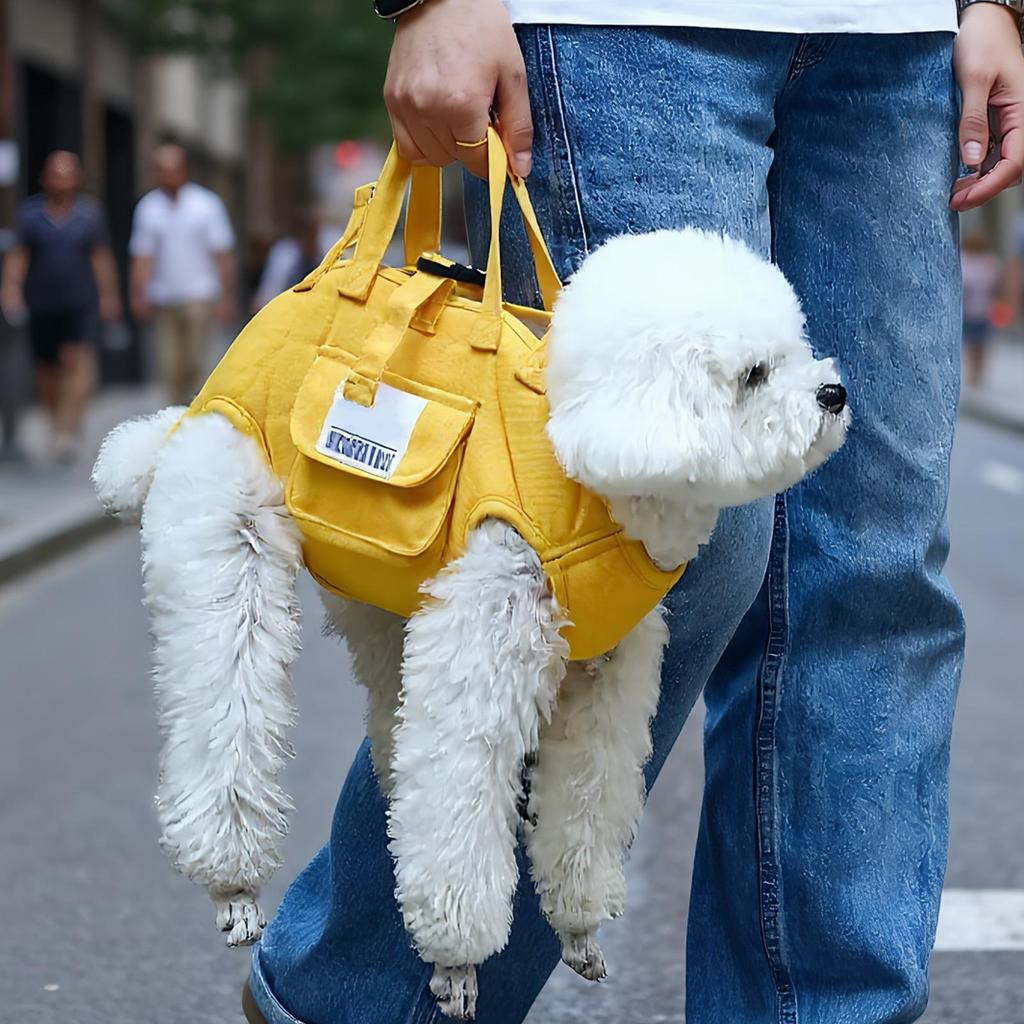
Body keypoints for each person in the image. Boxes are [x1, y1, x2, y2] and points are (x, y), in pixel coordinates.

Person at [243, 3, 1024, 1023]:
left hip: (899, 46)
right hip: (615, 27)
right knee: (621, 549)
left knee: (871, 576)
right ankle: (370, 997)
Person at [0, 151, 121, 463]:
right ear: (45, 178)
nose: (62, 181)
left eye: (68, 174)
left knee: (76, 363)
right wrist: (11, 289)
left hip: (78, 303)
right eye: (56, 174)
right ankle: (56, 422)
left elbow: (100, 257)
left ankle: (68, 430)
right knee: (47, 371)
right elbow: (19, 255)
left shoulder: (89, 215)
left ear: (77, 179)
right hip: (42, 304)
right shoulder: (30, 215)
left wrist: (109, 296)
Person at [129, 144, 237, 407]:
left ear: (184, 171)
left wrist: (227, 295)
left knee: (195, 361)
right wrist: (138, 293)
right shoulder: (149, 208)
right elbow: (142, 255)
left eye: (173, 169)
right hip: (164, 296)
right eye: (162, 170)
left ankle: (193, 407)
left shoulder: (206, 205)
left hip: (199, 294)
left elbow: (222, 252)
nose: (168, 175)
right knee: (169, 364)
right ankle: (176, 412)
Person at [960, 230, 1003, 387]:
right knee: (972, 343)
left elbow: (996, 285)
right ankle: (974, 371)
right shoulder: (964, 260)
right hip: (969, 310)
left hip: (984, 310)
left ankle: (978, 372)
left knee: (981, 343)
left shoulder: (989, 262)